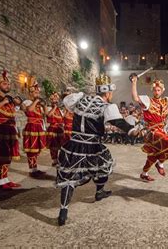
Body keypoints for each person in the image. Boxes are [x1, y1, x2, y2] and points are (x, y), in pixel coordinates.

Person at [55, 74, 141, 226]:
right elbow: (118, 122)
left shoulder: (80, 99)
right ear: (108, 93)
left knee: (69, 177)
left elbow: (66, 102)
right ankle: (99, 191)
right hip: (92, 145)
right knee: (104, 165)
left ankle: (63, 211)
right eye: (111, 93)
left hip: (74, 144)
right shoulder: (106, 106)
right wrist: (133, 130)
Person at [131, 75, 168, 181]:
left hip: (161, 130)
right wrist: (134, 82)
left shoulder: (166, 101)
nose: (156, 92)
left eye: (158, 90)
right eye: (155, 90)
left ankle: (144, 173)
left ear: (162, 90)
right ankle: (160, 164)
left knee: (153, 155)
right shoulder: (148, 100)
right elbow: (135, 98)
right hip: (152, 131)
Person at [21, 79, 47, 177]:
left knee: (37, 149)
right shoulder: (27, 102)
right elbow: (29, 111)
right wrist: (36, 101)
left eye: (38, 92)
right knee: (32, 149)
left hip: (39, 127)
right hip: (32, 127)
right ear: (31, 93)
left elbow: (44, 115)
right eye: (35, 92)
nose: (37, 94)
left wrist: (44, 106)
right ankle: (32, 169)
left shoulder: (38, 104)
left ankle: (35, 168)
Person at [46, 92, 65, 167]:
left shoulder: (60, 110)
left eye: (57, 98)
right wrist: (54, 107)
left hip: (59, 128)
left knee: (60, 145)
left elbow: (62, 118)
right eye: (54, 98)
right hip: (53, 128)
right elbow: (49, 115)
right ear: (51, 100)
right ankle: (54, 160)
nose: (55, 100)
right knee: (53, 145)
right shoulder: (49, 107)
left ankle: (60, 159)